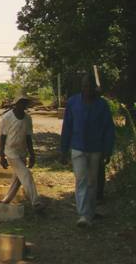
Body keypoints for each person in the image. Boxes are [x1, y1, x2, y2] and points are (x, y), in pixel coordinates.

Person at [60, 74, 115, 228]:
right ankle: (83, 215)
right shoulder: (73, 102)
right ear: (81, 87)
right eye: (85, 86)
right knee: (81, 180)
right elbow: (67, 126)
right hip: (77, 148)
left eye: (90, 86)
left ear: (94, 88)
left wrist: (108, 150)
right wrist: (63, 150)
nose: (87, 89)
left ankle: (90, 212)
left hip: (96, 149)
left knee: (92, 182)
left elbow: (108, 129)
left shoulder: (102, 105)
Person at [0, 94, 43, 210]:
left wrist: (32, 154)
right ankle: (35, 202)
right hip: (11, 152)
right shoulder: (7, 117)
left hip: (22, 152)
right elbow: (2, 137)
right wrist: (2, 156)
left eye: (25, 103)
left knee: (18, 179)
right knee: (26, 174)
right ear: (16, 104)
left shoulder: (28, 118)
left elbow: (28, 137)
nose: (23, 105)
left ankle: (6, 200)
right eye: (21, 103)